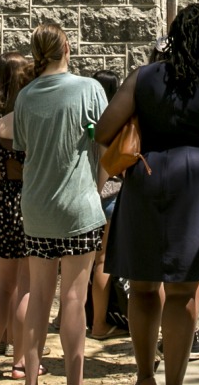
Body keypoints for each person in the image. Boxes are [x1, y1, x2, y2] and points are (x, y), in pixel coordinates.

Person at [94, 4, 199, 385]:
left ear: (174, 34)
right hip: (194, 183)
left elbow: (103, 131)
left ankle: (145, 376)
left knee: (143, 286)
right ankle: (174, 381)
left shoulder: (141, 78)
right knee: (182, 292)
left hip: (146, 176)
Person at [13, 22, 108, 385]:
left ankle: (31, 379)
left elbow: (22, 147)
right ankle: (74, 380)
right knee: (73, 297)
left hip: (36, 209)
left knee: (38, 296)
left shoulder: (25, 97)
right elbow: (106, 142)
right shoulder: (90, 89)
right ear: (66, 47)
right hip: (79, 208)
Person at [0, 52, 36, 379]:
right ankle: (20, 362)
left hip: (4, 204)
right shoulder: (36, 121)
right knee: (27, 288)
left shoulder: (0, 125)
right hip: (31, 204)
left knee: (1, 287)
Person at [88, 69, 127, 342]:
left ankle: (62, 318)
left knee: (76, 263)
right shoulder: (116, 123)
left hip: (79, 197)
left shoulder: (84, 120)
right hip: (107, 196)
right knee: (102, 262)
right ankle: (99, 325)